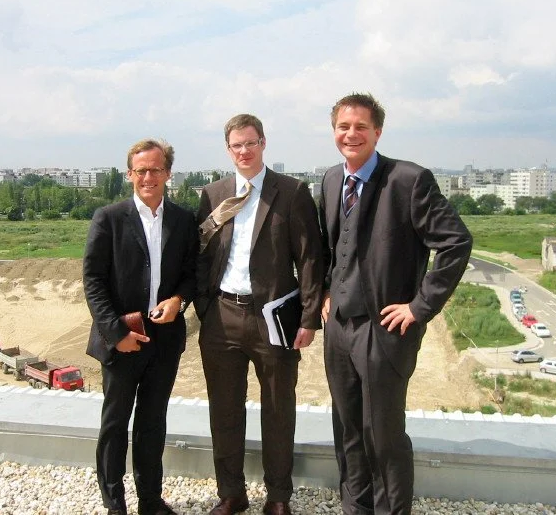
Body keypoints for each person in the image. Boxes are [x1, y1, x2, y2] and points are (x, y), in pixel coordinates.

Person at [318, 93, 472, 515]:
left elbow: (456, 242)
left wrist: (420, 306)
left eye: (361, 127)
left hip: (383, 329)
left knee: (383, 435)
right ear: (334, 131)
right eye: (343, 126)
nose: (351, 134)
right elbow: (331, 247)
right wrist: (327, 291)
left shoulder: (408, 180)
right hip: (338, 329)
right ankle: (356, 508)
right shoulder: (330, 180)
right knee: (348, 430)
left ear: (378, 132)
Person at [195, 114, 323, 515]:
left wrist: (308, 318)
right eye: (237, 145)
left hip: (273, 318)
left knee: (278, 409)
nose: (244, 151)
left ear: (263, 143)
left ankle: (278, 497)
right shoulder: (214, 194)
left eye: (251, 143)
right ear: (228, 149)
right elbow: (201, 254)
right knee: (224, 410)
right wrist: (204, 307)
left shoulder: (292, 192)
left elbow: (310, 258)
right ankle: (231, 493)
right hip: (221, 317)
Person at [83, 138, 197, 515]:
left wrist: (179, 299)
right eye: (141, 170)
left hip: (165, 340)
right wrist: (116, 334)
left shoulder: (183, 220)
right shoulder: (109, 218)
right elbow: (93, 281)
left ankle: (150, 500)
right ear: (130, 174)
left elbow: (191, 274)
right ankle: (114, 502)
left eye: (156, 169)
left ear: (168, 173)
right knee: (115, 423)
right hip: (123, 338)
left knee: (152, 423)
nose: (149, 177)